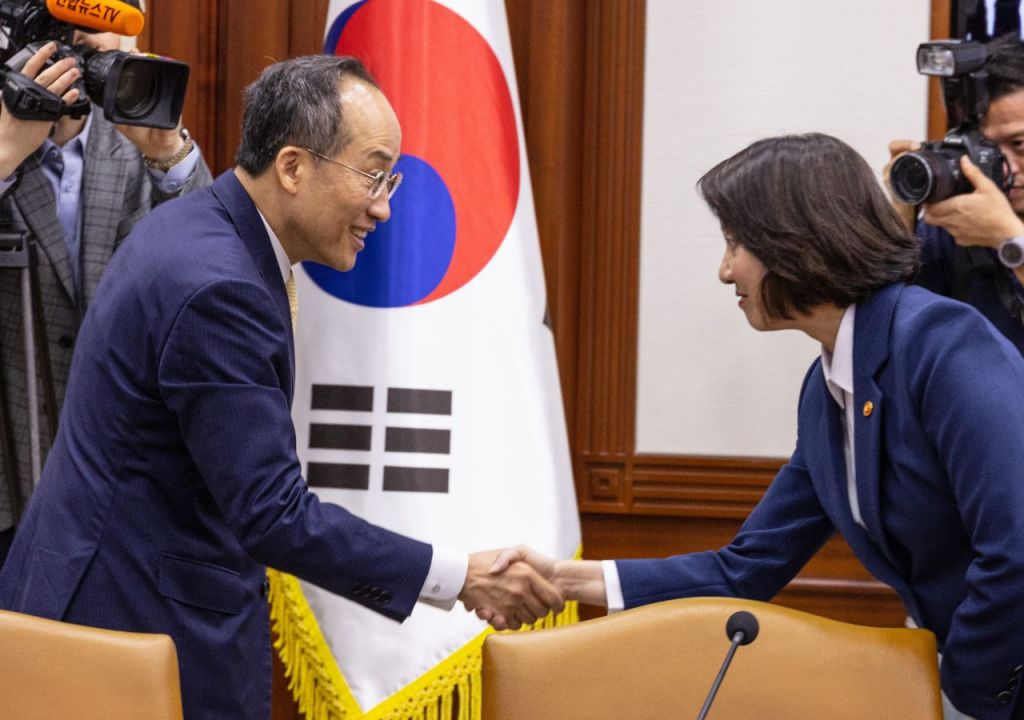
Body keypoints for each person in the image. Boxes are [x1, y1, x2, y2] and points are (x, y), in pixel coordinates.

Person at [0, 54, 562, 719]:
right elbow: (271, 513)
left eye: (391, 180)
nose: (384, 207)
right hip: (129, 629)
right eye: (373, 175)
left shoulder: (199, 229)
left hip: (114, 605)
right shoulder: (220, 287)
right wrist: (458, 576)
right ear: (292, 167)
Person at [493, 134, 1024, 720]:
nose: (725, 271)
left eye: (734, 244)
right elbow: (744, 570)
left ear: (795, 242)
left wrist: (961, 696)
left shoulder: (941, 343)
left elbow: (1016, 549)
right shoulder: (828, 387)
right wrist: (566, 580)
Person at [0, 33, 213, 564]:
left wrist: (169, 152)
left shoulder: (138, 135)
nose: (75, 52)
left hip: (116, 487)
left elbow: (212, 274)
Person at [887, 33, 1024, 355]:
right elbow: (881, 331)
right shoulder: (957, 228)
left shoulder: (987, 228)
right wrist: (899, 221)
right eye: (985, 148)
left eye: (1019, 144)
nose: (1004, 167)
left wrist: (1010, 240)